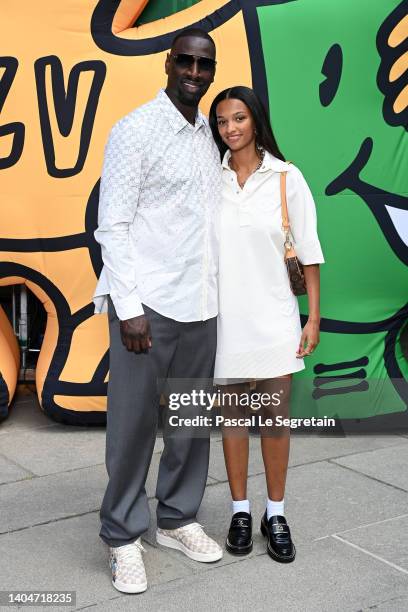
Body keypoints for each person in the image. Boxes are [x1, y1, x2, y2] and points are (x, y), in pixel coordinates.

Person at [93, 28, 223, 594]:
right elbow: (112, 226)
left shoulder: (207, 136)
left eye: (204, 64)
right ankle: (123, 536)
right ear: (167, 64)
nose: (195, 71)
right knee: (132, 426)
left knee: (191, 422)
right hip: (146, 306)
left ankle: (176, 519)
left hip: (202, 302)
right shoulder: (135, 131)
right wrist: (128, 308)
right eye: (186, 61)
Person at [208, 86, 324, 563]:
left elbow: (310, 252)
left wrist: (312, 317)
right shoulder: (209, 179)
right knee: (233, 420)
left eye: (239, 118)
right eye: (221, 122)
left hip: (275, 318)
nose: (231, 129)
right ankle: (240, 511)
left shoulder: (286, 177)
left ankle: (275, 513)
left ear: (255, 120)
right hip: (223, 320)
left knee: (275, 422)